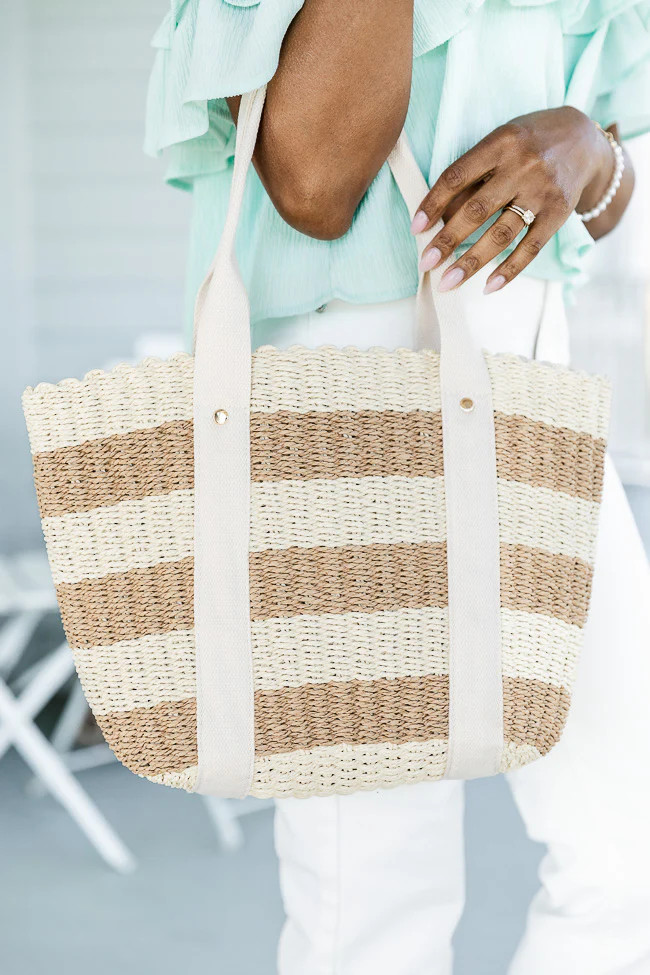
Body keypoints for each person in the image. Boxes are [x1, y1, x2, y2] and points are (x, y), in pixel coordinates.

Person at [146, 3, 650, 972]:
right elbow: (314, 182)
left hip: (527, 356)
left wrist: (584, 150)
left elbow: (610, 160)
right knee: (368, 886)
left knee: (628, 836)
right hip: (341, 368)